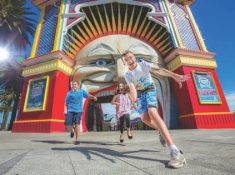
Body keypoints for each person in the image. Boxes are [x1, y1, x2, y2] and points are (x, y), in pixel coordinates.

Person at [123, 50, 190, 168]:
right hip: (140, 94)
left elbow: (159, 70)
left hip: (149, 89)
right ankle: (160, 131)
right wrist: (133, 100)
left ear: (134, 57)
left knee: (152, 112)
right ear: (125, 63)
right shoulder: (127, 75)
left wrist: (175, 76)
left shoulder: (143, 64)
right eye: (127, 59)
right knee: (144, 118)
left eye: (131, 57)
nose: (130, 60)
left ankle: (175, 152)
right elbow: (132, 89)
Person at [64, 80, 97, 145]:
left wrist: (93, 97)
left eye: (75, 84)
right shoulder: (69, 93)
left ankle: (77, 139)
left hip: (78, 110)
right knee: (68, 125)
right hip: (70, 110)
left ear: (78, 85)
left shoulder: (81, 91)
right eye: (73, 84)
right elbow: (66, 102)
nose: (74, 85)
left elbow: (87, 95)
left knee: (77, 124)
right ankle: (72, 131)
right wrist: (65, 110)